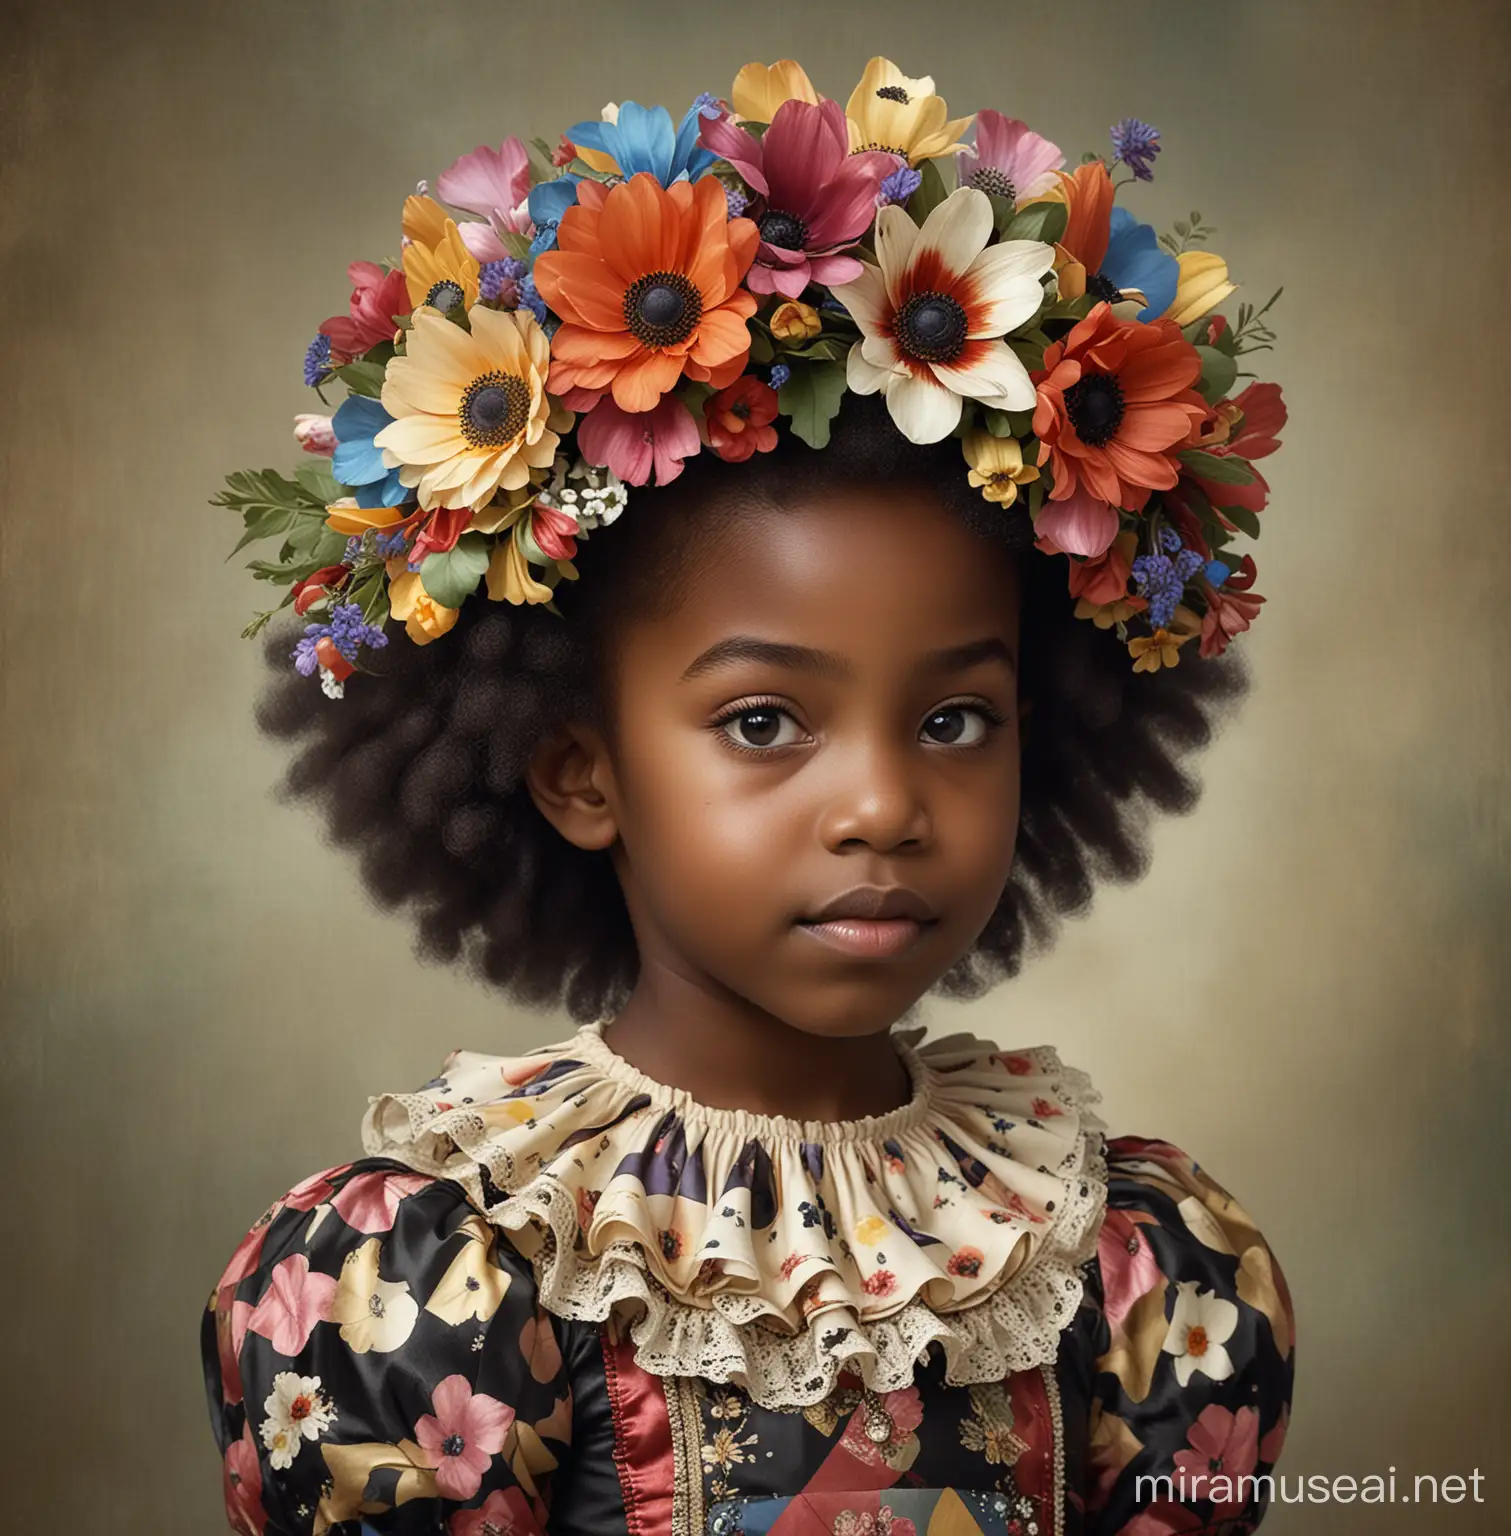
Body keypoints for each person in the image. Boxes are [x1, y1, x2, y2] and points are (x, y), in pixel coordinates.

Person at [201, 58, 1294, 1536]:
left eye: (957, 717)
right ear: (583, 773)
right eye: (767, 719)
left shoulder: (1139, 1270)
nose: (884, 806)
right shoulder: (447, 1279)